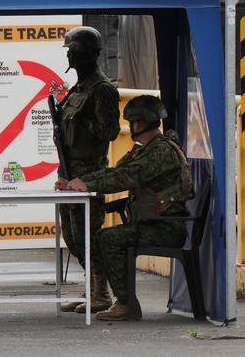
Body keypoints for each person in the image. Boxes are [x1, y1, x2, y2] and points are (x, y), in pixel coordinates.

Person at [55, 95, 192, 321]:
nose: (130, 125)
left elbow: (127, 177)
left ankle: (127, 304)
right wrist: (75, 182)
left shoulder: (160, 152)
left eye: (132, 121)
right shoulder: (144, 150)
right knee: (102, 236)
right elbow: (113, 172)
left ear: (139, 123)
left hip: (165, 230)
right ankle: (109, 297)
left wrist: (87, 184)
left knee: (108, 239)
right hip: (155, 226)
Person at [55, 25, 122, 314]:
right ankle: (91, 290)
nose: (68, 54)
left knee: (87, 234)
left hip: (89, 173)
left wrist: (84, 122)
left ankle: (101, 294)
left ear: (83, 54)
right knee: (71, 235)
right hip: (69, 171)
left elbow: (110, 130)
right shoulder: (78, 87)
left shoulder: (101, 89)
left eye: (72, 50)